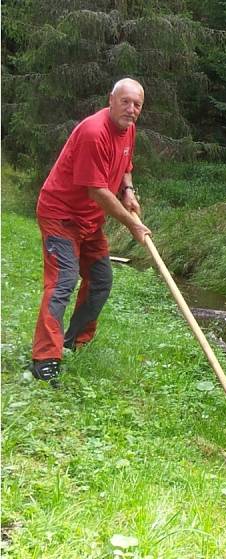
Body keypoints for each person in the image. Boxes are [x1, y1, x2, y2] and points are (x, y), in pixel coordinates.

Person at [31, 78, 152, 387]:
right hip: (61, 215)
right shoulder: (93, 131)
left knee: (100, 280)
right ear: (110, 100)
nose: (131, 109)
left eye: (137, 104)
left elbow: (125, 164)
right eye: (125, 101)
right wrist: (132, 223)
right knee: (63, 282)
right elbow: (96, 190)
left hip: (89, 221)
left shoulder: (128, 129)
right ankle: (45, 358)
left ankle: (75, 343)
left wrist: (128, 189)